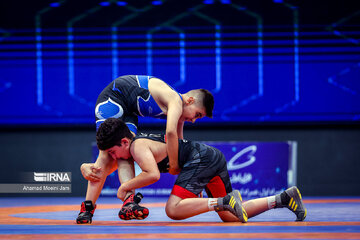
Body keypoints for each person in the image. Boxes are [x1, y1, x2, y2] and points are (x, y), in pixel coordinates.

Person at [83, 118, 307, 222]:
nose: (113, 158)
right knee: (231, 217)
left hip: (201, 159)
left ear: (124, 142)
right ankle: (283, 198)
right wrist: (88, 168)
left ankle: (223, 201)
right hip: (208, 158)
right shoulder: (136, 144)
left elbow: (153, 175)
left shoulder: (137, 146)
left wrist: (125, 187)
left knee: (173, 209)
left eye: (112, 152)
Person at [76, 75, 214, 224]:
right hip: (113, 98)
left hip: (129, 111)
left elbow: (181, 148)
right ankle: (87, 208)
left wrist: (189, 179)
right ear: (190, 101)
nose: (193, 120)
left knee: (126, 152)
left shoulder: (180, 113)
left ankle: (129, 202)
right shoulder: (175, 100)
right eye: (197, 115)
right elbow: (170, 133)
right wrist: (173, 165)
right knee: (106, 153)